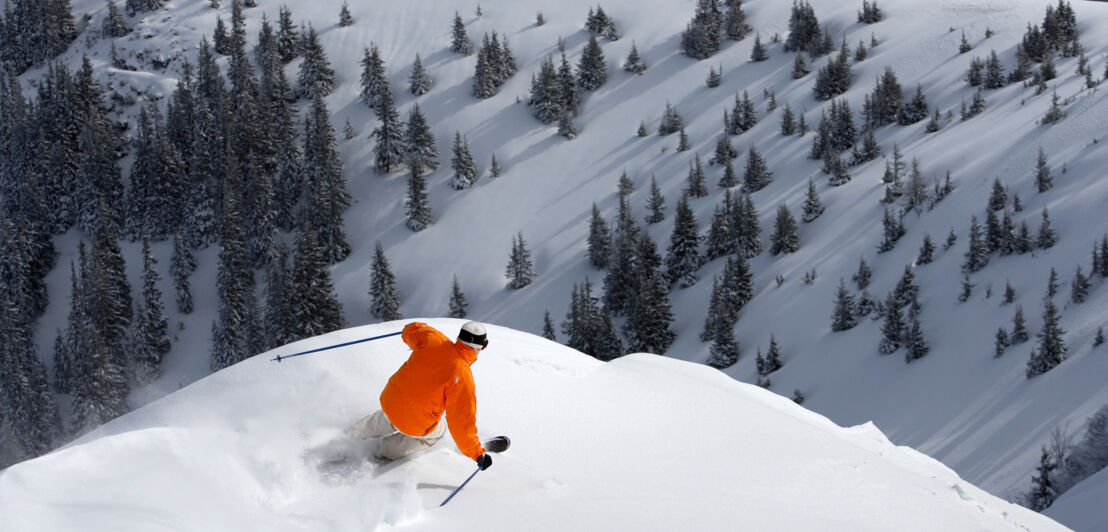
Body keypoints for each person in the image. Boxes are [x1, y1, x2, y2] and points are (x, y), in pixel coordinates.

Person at [347, 321, 493, 470]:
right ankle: (384, 450)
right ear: (480, 347)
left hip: (390, 400)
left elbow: (412, 331)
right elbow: (461, 422)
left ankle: (349, 437)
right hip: (417, 422)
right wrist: (476, 454)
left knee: (389, 415)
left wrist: (409, 328)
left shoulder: (433, 339)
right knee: (438, 431)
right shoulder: (462, 377)